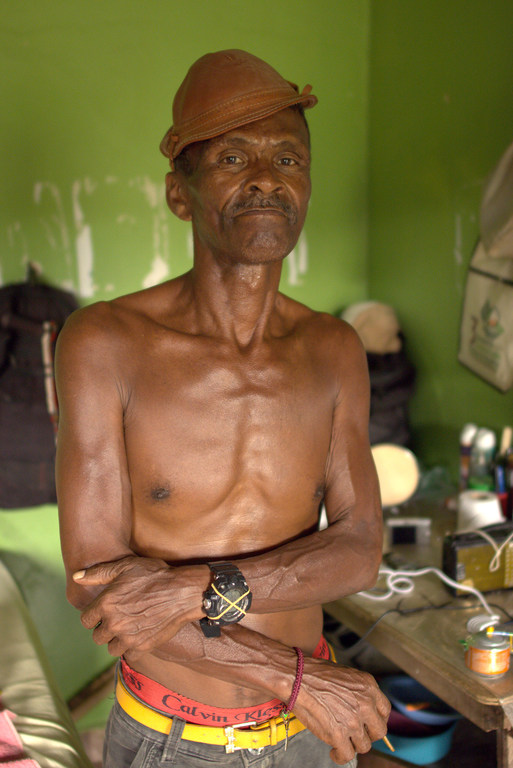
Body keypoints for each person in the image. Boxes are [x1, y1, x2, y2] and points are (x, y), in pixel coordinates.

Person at [55, 49, 390, 768]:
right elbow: (100, 592)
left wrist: (197, 588)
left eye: (288, 160)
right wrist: (295, 677)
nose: (268, 178)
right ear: (180, 194)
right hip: (174, 740)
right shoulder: (105, 342)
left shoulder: (333, 348)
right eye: (234, 157)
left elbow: (360, 547)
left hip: (305, 737)